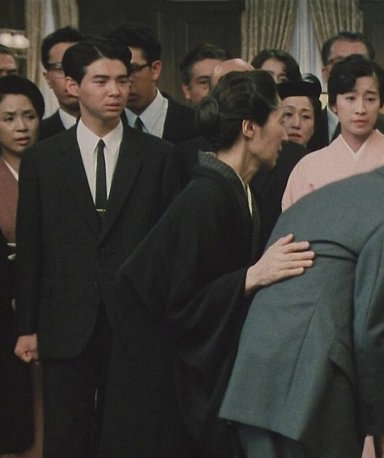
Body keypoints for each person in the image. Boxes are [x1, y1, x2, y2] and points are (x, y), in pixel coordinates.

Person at [219, 117, 384, 458]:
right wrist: (383, 427)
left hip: (253, 382)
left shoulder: (329, 195)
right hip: (314, 393)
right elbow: (377, 327)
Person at [105, 70, 314, 457]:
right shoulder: (205, 197)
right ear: (249, 127)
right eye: (279, 119)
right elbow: (181, 306)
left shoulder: (236, 190)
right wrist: (252, 276)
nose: (286, 134)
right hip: (158, 381)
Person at [13, 38, 177, 457]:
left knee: (130, 439)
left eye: (122, 80)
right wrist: (27, 326)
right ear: (72, 86)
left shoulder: (159, 157)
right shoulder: (43, 160)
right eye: (101, 81)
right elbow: (32, 248)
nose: (115, 91)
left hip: (136, 322)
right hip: (65, 322)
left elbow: (167, 249)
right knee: (65, 437)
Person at [0, 75, 43, 457]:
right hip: (3, 313)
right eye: (9, 118)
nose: (21, 127)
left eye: (29, 116)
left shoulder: (57, 170)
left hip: (54, 305)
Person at [282, 55, 384, 209]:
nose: (360, 109)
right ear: (334, 105)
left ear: (381, 103)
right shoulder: (309, 167)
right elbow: (296, 220)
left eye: (370, 99)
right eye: (350, 98)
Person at [250, 76, 321, 240]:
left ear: (315, 125)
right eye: (287, 114)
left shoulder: (320, 163)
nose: (296, 124)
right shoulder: (260, 161)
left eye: (306, 117)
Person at [308, 31, 384, 152]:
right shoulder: (304, 125)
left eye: (358, 63)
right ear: (325, 73)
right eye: (340, 63)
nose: (349, 70)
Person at [108, 23, 198, 143]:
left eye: (132, 70)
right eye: (118, 73)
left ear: (155, 69)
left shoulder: (193, 123)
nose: (125, 82)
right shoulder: (105, 124)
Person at [39, 26, 84, 140]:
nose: (70, 80)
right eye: (60, 69)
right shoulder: (37, 136)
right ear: (48, 79)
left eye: (77, 66)